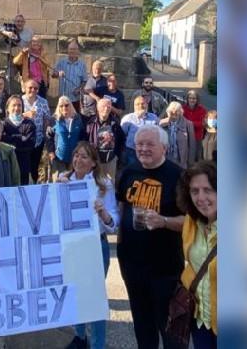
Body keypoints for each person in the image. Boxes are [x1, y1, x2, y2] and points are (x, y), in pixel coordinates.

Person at [115, 125, 187, 349]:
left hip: (165, 269)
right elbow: (119, 209)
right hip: (132, 265)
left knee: (170, 331)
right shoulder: (128, 171)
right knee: (143, 328)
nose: (143, 149)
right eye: (139, 144)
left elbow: (192, 222)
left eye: (150, 144)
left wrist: (164, 221)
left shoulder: (178, 176)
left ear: (164, 148)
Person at [56, 142, 119, 349]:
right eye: (76, 155)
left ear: (93, 163)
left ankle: (98, 344)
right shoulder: (64, 181)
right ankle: (80, 335)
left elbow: (113, 225)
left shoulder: (103, 184)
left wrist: (103, 213)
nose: (78, 160)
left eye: (84, 157)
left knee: (95, 297)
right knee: (76, 292)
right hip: (72, 247)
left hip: (94, 246)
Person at [177, 161, 218, 349]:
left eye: (208, 190)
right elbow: (193, 264)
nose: (201, 198)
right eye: (195, 191)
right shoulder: (192, 222)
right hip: (200, 318)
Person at [85, 97, 126, 181]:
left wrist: (116, 155)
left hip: (110, 160)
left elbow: (122, 139)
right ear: (98, 108)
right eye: (104, 106)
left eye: (109, 107)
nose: (106, 108)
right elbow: (85, 139)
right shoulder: (90, 123)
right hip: (95, 159)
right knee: (94, 182)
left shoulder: (115, 123)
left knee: (110, 184)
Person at [45, 97, 84, 181]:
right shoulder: (53, 120)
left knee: (73, 180)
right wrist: (51, 152)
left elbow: (82, 136)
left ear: (71, 106)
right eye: (61, 106)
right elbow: (48, 137)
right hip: (59, 157)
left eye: (66, 105)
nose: (64, 108)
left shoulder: (78, 119)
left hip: (75, 156)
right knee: (59, 181)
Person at [21, 79, 52, 184]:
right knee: (24, 166)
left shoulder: (43, 102)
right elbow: (11, 117)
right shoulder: (19, 101)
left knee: (35, 165)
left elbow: (47, 118)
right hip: (23, 140)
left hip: (38, 139)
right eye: (30, 88)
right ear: (25, 88)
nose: (33, 90)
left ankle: (34, 185)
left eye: (35, 88)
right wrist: (25, 115)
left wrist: (46, 136)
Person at [2, 95, 37, 185]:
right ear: (7, 108)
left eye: (19, 105)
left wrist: (10, 139)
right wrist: (21, 138)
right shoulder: (2, 125)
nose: (17, 108)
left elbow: (30, 144)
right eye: (13, 105)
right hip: (7, 165)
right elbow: (2, 143)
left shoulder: (29, 124)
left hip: (23, 165)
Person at [120, 95, 160, 170]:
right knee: (132, 173)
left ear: (147, 105)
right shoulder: (127, 118)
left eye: (143, 103)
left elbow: (158, 133)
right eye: (138, 104)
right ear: (134, 106)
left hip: (149, 151)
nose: (141, 106)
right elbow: (122, 136)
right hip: (132, 152)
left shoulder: (154, 118)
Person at [159, 101, 197, 167]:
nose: (174, 113)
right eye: (171, 112)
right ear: (167, 112)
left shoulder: (188, 124)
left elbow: (192, 145)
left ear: (181, 112)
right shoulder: (161, 123)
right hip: (165, 158)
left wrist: (190, 162)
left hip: (181, 160)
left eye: (177, 111)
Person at [53, 39, 87, 110]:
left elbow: (84, 81)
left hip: (75, 99)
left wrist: (79, 89)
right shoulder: (61, 63)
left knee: (74, 119)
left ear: (78, 51)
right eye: (71, 49)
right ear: (68, 50)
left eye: (74, 49)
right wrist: (58, 74)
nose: (72, 51)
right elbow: (53, 75)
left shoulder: (82, 65)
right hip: (63, 98)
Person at [6, 14, 34, 94]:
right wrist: (5, 32)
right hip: (13, 58)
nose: (19, 23)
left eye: (21, 21)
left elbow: (32, 44)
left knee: (25, 79)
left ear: (24, 23)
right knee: (8, 76)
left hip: (24, 59)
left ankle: (25, 97)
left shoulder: (29, 32)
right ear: (14, 22)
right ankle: (9, 95)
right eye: (18, 21)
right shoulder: (9, 30)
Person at [182, 90, 208, 155]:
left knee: (196, 156)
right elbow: (181, 121)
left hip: (197, 137)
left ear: (197, 99)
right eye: (190, 98)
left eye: (194, 98)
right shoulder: (183, 108)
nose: (192, 100)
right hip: (185, 136)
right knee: (185, 155)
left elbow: (203, 123)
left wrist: (189, 123)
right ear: (187, 99)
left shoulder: (202, 110)